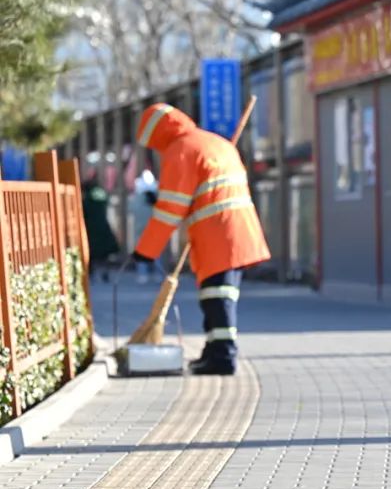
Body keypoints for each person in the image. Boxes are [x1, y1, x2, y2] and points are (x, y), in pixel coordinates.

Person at [131, 103, 270, 375]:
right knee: (218, 296)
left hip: (218, 235)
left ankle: (223, 356)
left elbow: (170, 209)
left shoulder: (181, 151)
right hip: (238, 231)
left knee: (218, 298)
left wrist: (145, 251)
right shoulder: (215, 143)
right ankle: (214, 350)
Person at [81, 174, 120, 282]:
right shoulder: (101, 195)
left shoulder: (86, 199)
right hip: (103, 226)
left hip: (91, 228)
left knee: (91, 253)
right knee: (105, 254)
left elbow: (84, 212)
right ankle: (105, 273)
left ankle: (91, 272)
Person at [129, 169, 160, 284]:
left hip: (140, 228)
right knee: (156, 251)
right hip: (154, 228)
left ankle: (143, 274)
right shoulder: (156, 197)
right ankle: (158, 274)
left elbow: (131, 209)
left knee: (141, 251)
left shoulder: (137, 197)